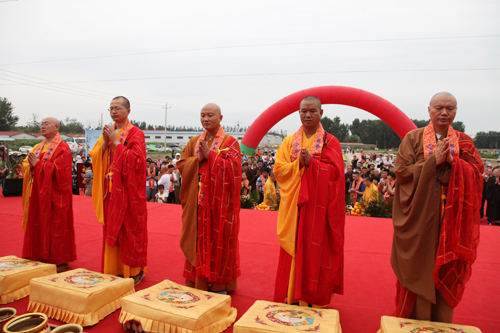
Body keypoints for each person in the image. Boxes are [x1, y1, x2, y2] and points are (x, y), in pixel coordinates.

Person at [391, 92, 483, 322]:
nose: (444, 112)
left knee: (447, 272)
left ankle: (442, 323)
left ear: (456, 111)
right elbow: (401, 173)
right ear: (429, 110)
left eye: (450, 108)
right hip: (421, 220)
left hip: (452, 222)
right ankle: (413, 321)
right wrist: (432, 162)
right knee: (419, 268)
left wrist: (454, 163)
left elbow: (477, 175)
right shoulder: (413, 138)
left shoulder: (464, 142)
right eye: (439, 107)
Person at [274, 96, 345, 307]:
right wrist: (299, 165)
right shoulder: (289, 142)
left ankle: (313, 299)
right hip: (294, 206)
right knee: (295, 248)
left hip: (319, 209)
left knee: (316, 251)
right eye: (303, 111)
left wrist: (312, 165)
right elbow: (279, 170)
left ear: (321, 113)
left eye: (312, 111)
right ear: (298, 113)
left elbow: (336, 174)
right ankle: (293, 296)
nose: (307, 115)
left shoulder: (330, 142)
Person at [177, 103, 241, 293]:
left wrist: (211, 157)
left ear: (220, 118)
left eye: (210, 115)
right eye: (202, 115)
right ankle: (198, 282)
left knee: (220, 242)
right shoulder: (194, 141)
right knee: (197, 242)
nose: (205, 119)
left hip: (220, 207)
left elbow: (235, 172)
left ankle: (220, 284)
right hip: (198, 204)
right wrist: (198, 159)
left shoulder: (230, 142)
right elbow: (181, 165)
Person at [89, 96, 147, 285]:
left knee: (130, 231)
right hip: (110, 192)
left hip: (129, 193)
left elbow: (138, 162)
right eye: (111, 109)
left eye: (117, 108)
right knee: (111, 231)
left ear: (128, 111)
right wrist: (106, 143)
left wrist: (116, 143)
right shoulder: (109, 131)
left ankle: (134, 271)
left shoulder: (136, 133)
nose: (114, 112)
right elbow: (96, 157)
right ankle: (114, 268)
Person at [21, 117, 76, 272]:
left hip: (56, 196)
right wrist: (31, 166)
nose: (42, 126)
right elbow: (26, 164)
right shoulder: (38, 147)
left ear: (57, 127)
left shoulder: (62, 148)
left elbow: (61, 172)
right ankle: (38, 255)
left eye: (46, 124)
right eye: (41, 124)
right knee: (38, 224)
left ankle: (58, 260)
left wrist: (38, 164)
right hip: (39, 195)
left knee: (55, 227)